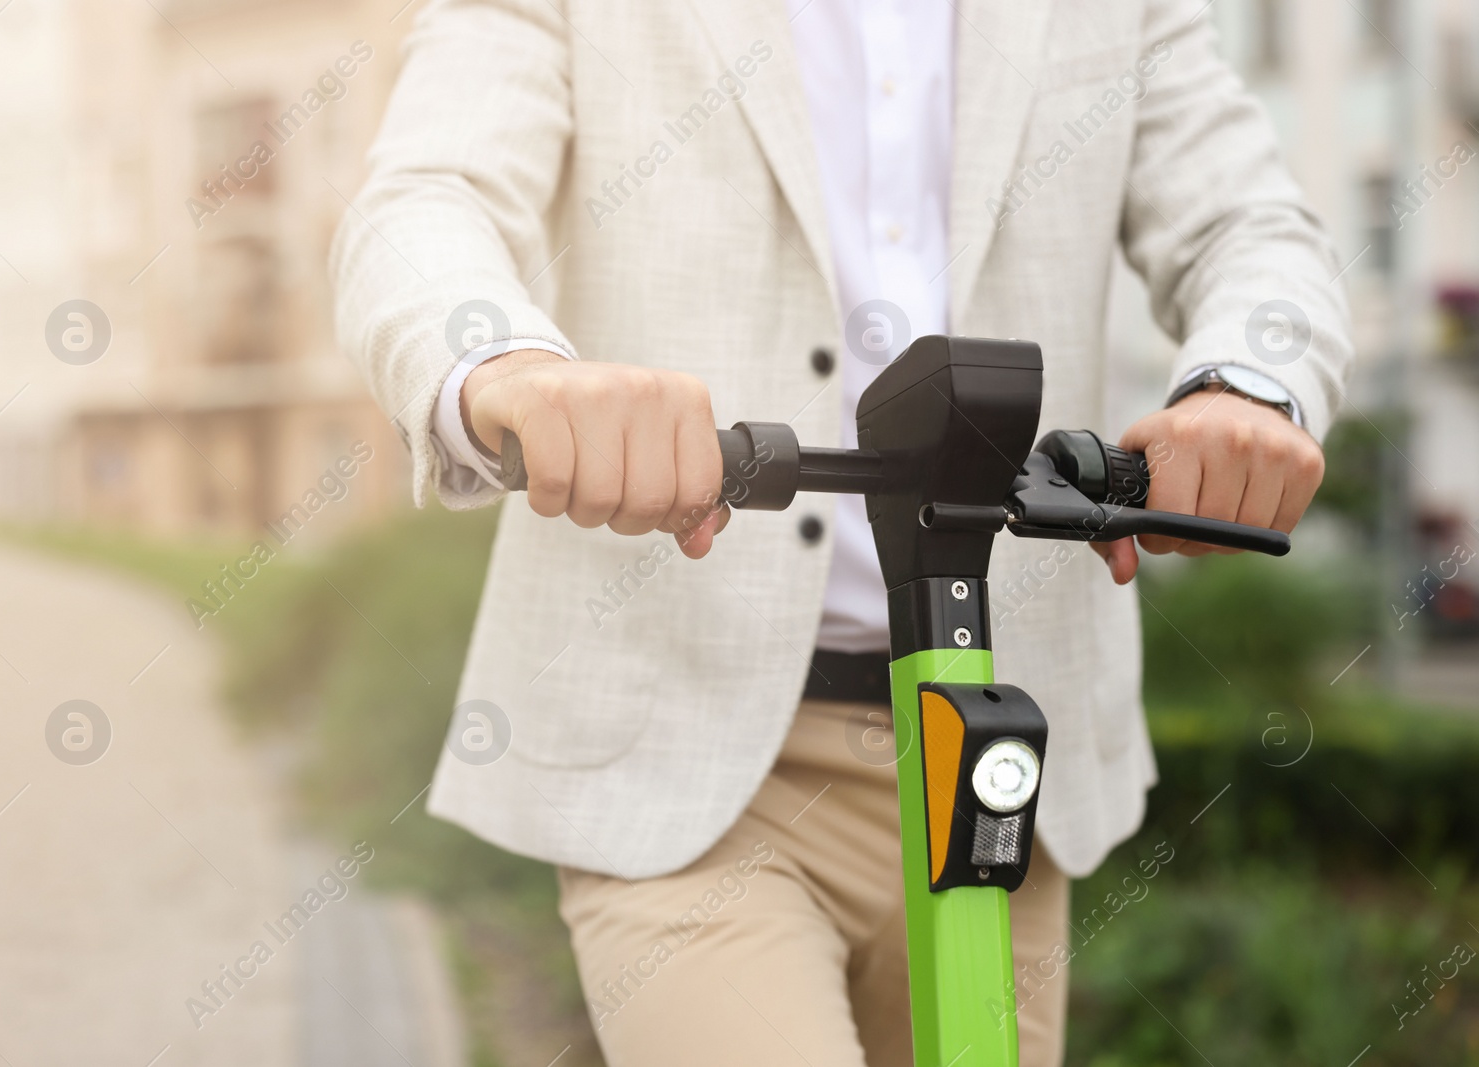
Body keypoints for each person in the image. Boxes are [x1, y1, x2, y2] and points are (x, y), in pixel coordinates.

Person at [330, 0, 1351, 1062]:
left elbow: (1247, 222)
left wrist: (1246, 384)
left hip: (996, 749)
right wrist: (506, 367)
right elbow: (426, 195)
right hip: (689, 747)